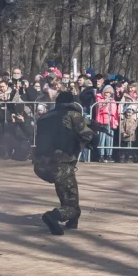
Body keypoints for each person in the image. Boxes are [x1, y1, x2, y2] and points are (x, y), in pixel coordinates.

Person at [33, 91, 96, 235]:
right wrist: (93, 135)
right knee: (72, 206)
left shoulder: (45, 117)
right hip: (62, 163)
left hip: (42, 163)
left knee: (66, 192)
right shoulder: (72, 115)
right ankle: (53, 216)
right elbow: (87, 135)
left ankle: (71, 222)